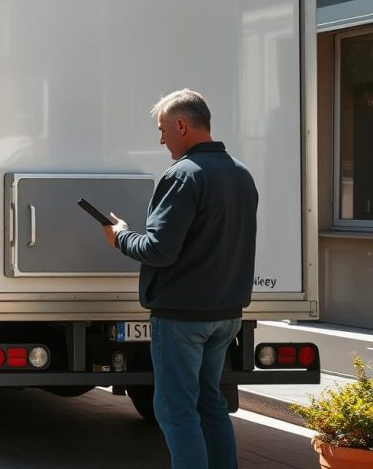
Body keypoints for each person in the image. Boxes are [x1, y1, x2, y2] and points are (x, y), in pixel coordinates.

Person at [101, 89, 258, 469]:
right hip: (226, 314)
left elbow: (158, 250)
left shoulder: (183, 176)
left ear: (182, 125)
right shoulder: (240, 173)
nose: (161, 140)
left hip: (183, 317)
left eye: (163, 130)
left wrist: (120, 235)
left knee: (174, 409)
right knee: (211, 404)